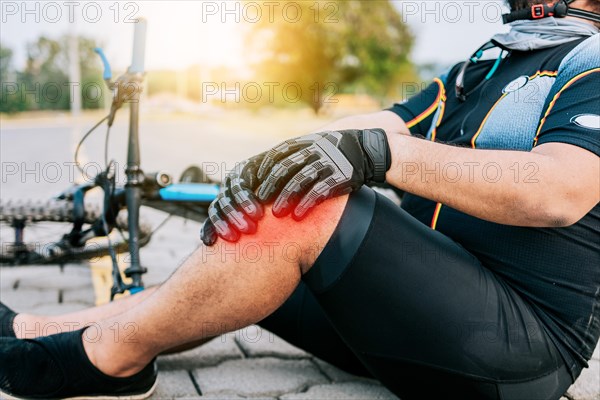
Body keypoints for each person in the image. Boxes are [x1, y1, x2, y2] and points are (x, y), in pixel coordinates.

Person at [1, 0, 599, 398]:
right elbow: (388, 120)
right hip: (423, 326)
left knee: (306, 210)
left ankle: (111, 360)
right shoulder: (491, 56)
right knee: (252, 251)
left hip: (520, 353)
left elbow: (559, 190)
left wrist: (374, 155)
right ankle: (43, 326)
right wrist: (271, 163)